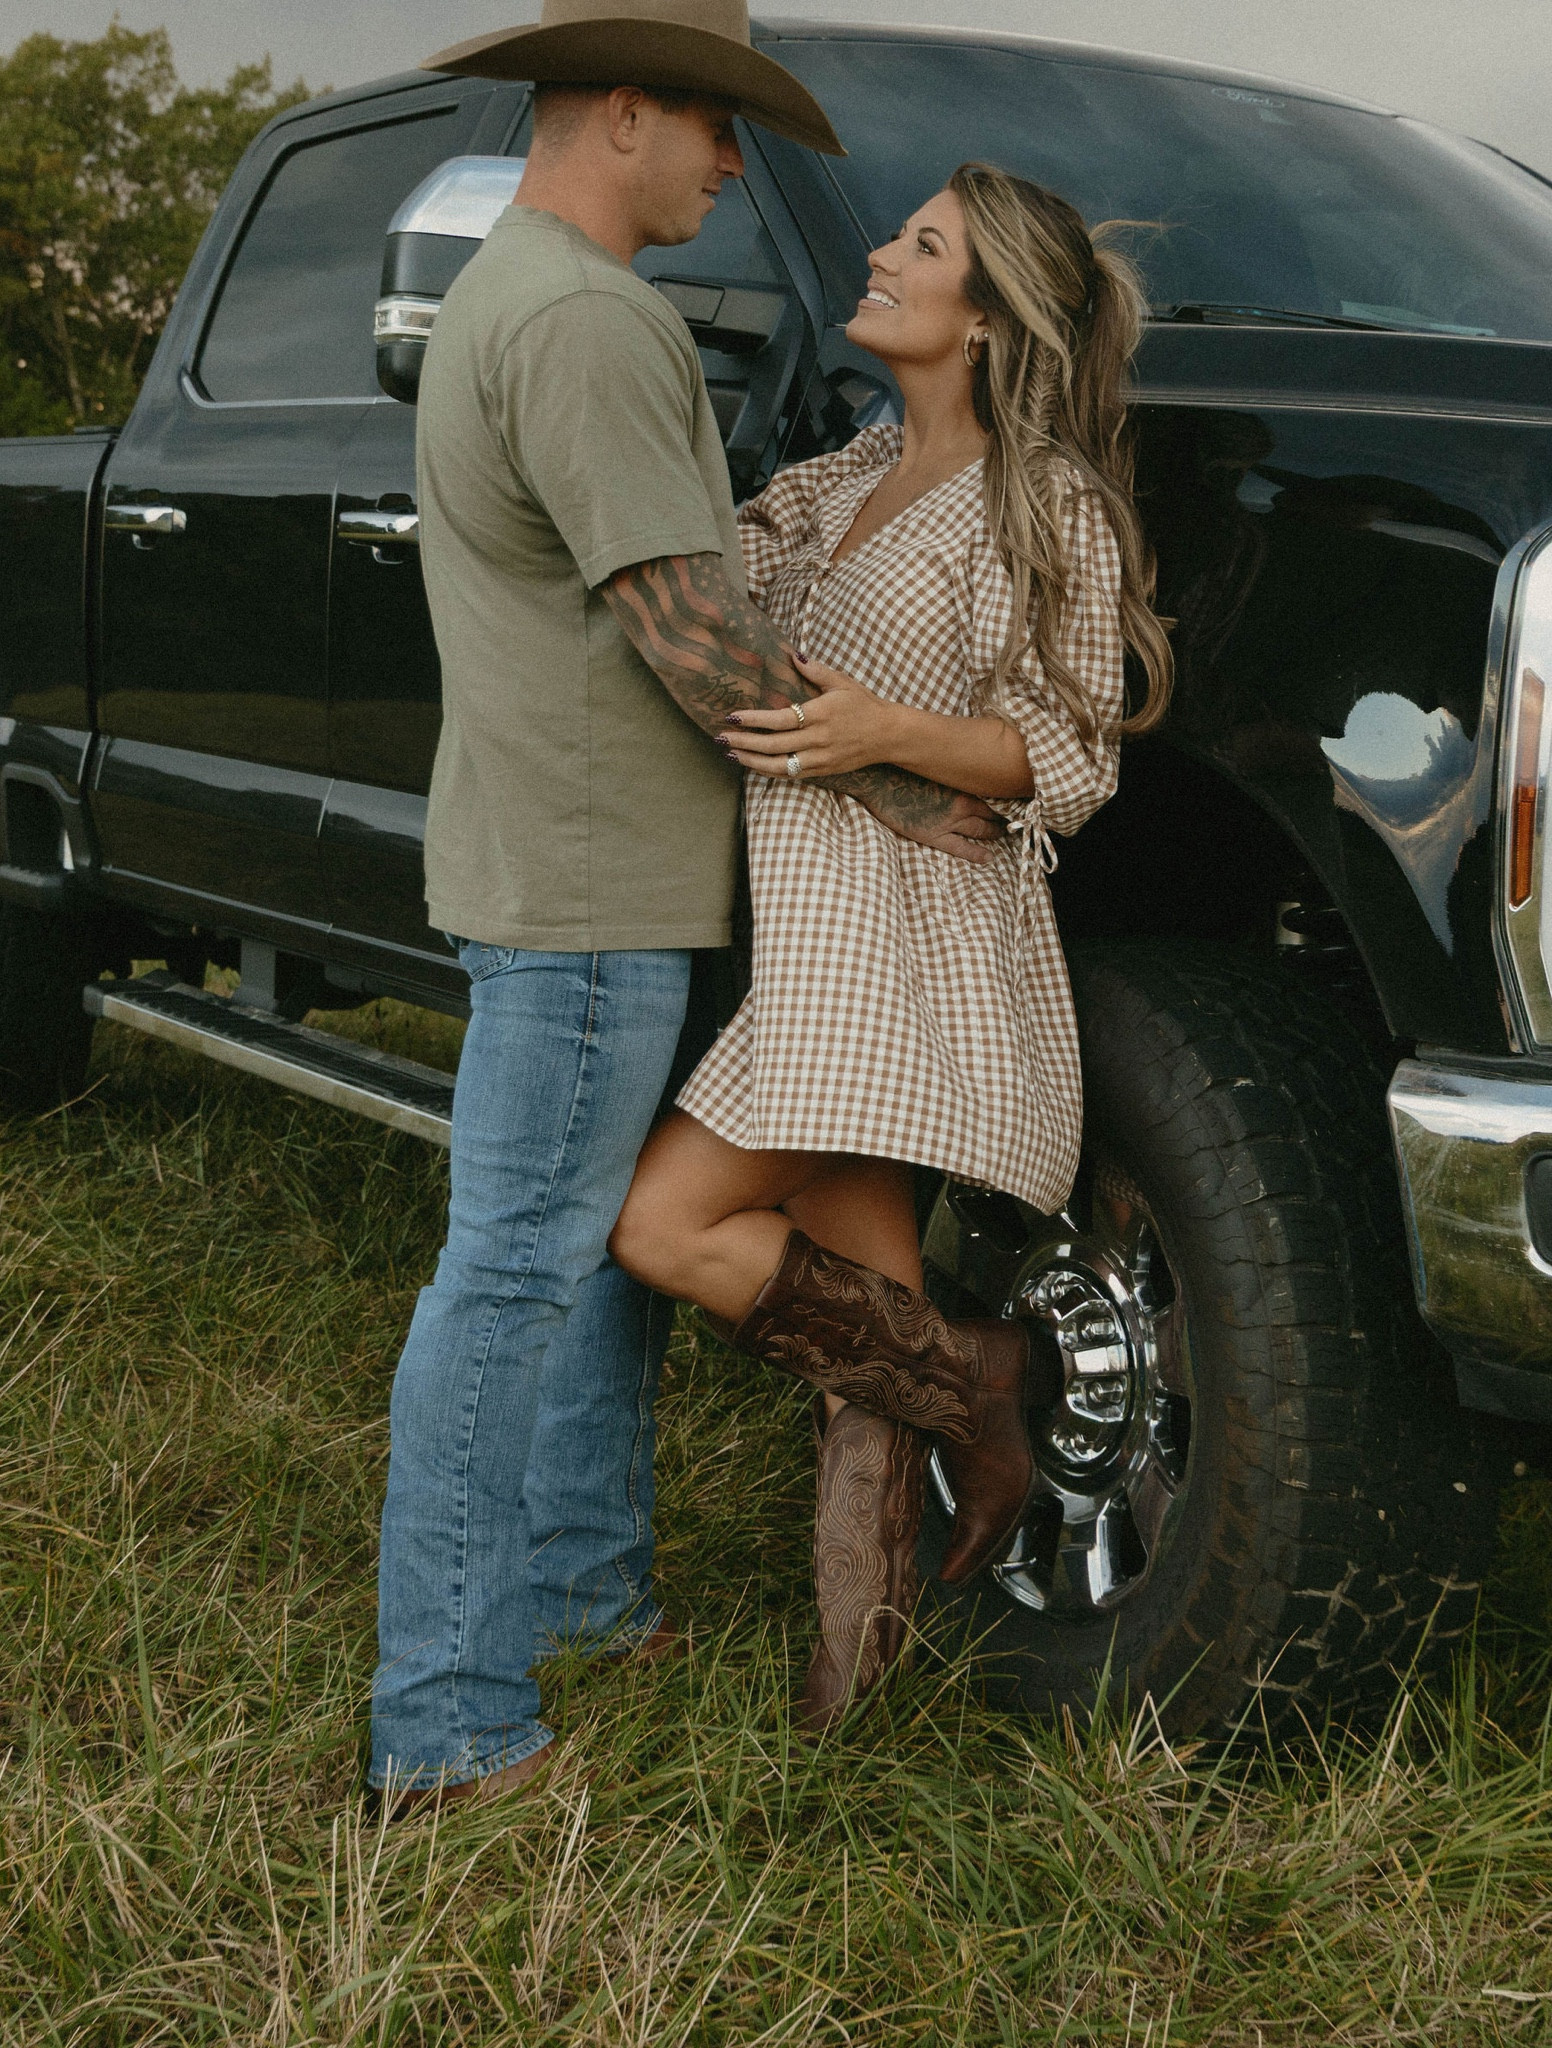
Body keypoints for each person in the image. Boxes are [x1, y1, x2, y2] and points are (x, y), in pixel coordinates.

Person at [371, 0, 1006, 1816]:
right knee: (507, 1280)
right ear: (624, 112)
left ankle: (580, 1595)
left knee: (571, 1279)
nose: (734, 167)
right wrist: (910, 784)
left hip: (555, 861)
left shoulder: (513, 290)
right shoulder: (586, 319)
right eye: (713, 130)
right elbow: (687, 630)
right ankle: (447, 1727)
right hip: (590, 892)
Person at [610, 163, 1175, 1733]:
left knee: (662, 1226)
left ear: (985, 317)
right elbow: (693, 580)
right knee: (861, 1312)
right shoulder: (833, 476)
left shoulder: (1039, 498)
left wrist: (888, 729)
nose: (878, 253)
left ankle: (984, 1382)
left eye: (919, 246)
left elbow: (1070, 756)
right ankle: (857, 1684)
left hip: (907, 939)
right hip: (804, 924)